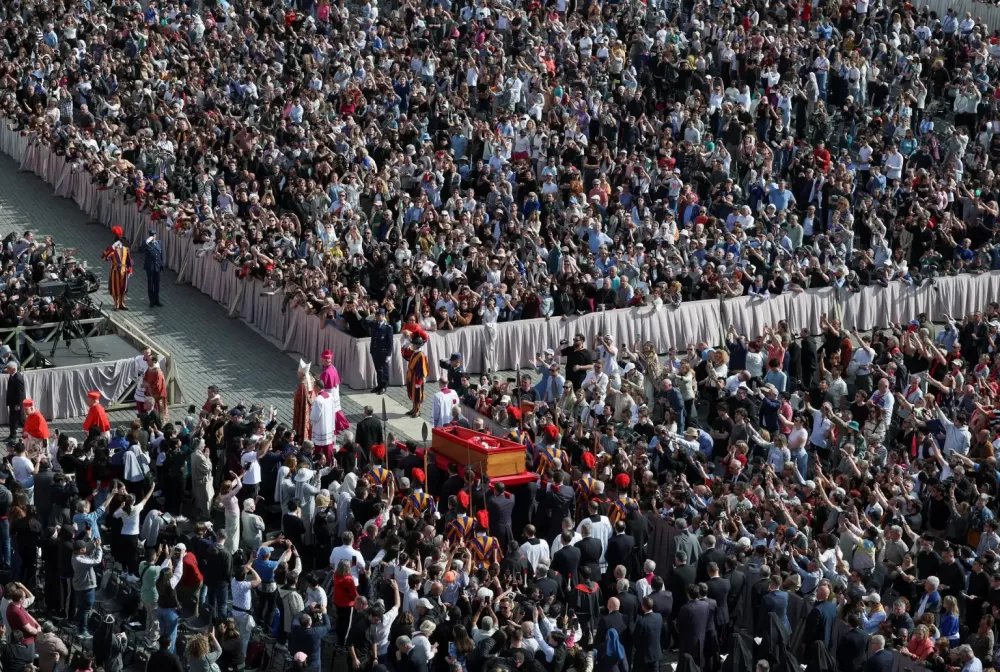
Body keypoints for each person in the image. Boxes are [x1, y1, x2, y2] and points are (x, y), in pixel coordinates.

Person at [70, 537, 103, 638]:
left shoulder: (75, 554)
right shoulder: (80, 560)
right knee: (86, 609)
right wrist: (98, 547)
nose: (86, 549)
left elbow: (85, 547)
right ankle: (82, 630)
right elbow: (97, 560)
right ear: (81, 550)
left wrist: (92, 542)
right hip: (86, 587)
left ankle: (76, 623)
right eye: (84, 548)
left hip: (80, 586)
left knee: (81, 608)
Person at [101, 226, 133, 311]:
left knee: (124, 287)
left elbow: (128, 260)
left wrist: (130, 269)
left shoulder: (126, 249)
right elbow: (104, 257)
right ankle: (116, 304)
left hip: (124, 270)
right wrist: (111, 248)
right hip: (115, 270)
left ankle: (121, 303)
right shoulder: (112, 249)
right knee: (115, 287)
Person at [367, 308, 394, 395]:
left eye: (380, 315)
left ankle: (384, 386)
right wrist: (371, 315)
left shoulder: (388, 328)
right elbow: (364, 322)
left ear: (383, 316)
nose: (378, 317)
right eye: (377, 315)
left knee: (383, 369)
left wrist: (389, 354)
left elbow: (390, 342)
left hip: (383, 351)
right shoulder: (374, 324)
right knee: (378, 369)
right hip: (375, 350)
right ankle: (379, 385)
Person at [404, 334, 429, 418]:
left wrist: (419, 381)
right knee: (412, 393)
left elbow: (422, 370)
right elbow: (406, 356)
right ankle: (414, 408)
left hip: (417, 378)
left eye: (414, 344)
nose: (412, 346)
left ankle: (418, 410)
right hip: (411, 376)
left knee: (418, 395)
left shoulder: (421, 355)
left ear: (417, 345)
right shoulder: (414, 353)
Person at [143, 228, 165, 308]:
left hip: (157, 267)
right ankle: (151, 301)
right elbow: (141, 248)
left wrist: (161, 266)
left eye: (154, 235)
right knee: (150, 285)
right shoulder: (148, 244)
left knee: (157, 285)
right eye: (152, 235)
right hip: (150, 268)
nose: (153, 237)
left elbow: (160, 255)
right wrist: (147, 241)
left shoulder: (159, 243)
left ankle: (157, 300)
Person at [5, 361, 25, 444]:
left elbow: (20, 393)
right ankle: (12, 435)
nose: (7, 370)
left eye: (8, 369)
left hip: (17, 404)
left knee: (21, 419)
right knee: (12, 419)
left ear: (13, 369)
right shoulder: (12, 375)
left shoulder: (18, 378)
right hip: (12, 403)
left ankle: (31, 432)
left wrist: (18, 404)